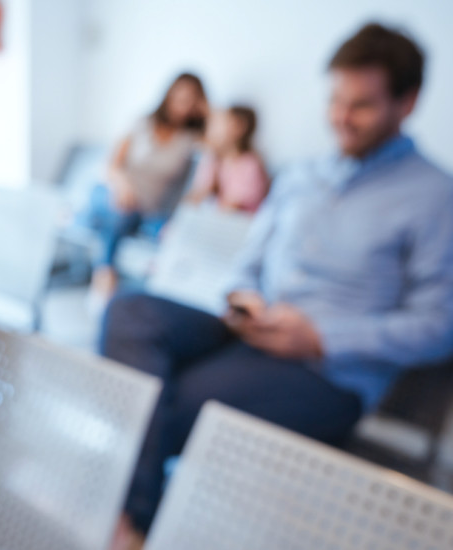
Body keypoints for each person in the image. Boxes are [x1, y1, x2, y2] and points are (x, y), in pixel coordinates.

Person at [103, 22, 453, 547]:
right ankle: (138, 516)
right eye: (336, 99)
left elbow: (439, 326)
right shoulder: (300, 177)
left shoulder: (433, 196)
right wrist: (242, 295)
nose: (340, 117)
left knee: (161, 406)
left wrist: (321, 337)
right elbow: (248, 262)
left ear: (407, 103)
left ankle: (132, 525)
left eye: (361, 105)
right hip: (251, 330)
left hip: (325, 371)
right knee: (129, 311)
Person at [88, 73, 208, 299]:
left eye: (191, 100)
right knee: (121, 211)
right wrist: (123, 187)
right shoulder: (142, 122)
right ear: (168, 96)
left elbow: (222, 137)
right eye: (179, 98)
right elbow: (111, 165)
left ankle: (146, 295)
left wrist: (207, 111)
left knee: (170, 234)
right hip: (114, 192)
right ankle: (104, 277)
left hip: (149, 208)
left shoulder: (191, 138)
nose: (182, 105)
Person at [186, 105, 270, 212]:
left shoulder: (249, 165)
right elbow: (197, 195)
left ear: (238, 128)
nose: (209, 130)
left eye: (217, 125)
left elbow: (230, 208)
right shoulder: (213, 160)